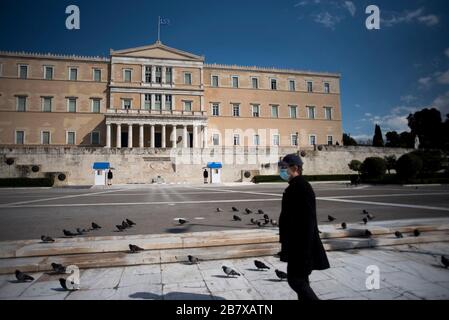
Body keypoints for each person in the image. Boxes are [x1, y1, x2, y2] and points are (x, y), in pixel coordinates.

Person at [278, 154, 330, 300]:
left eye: (284, 167)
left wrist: (305, 251)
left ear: (295, 168)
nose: (281, 170)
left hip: (300, 246)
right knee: (302, 281)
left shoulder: (301, 187)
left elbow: (308, 222)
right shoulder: (295, 186)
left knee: (296, 281)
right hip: (297, 244)